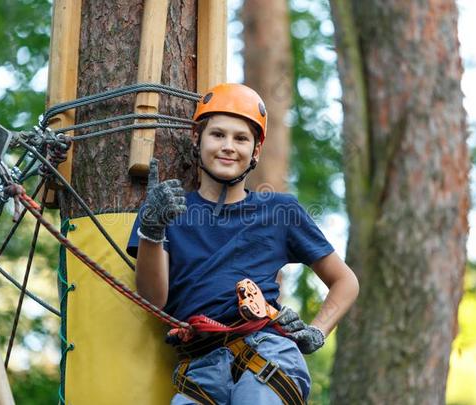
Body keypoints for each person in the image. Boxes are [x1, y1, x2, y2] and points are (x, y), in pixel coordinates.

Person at [127, 83, 359, 404]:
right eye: (217, 134)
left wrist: (318, 330)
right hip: (201, 366)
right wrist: (153, 230)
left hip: (267, 353)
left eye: (241, 138)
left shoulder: (279, 212)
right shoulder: (165, 209)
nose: (228, 146)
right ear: (197, 139)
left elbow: (345, 281)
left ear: (256, 151)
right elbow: (153, 298)